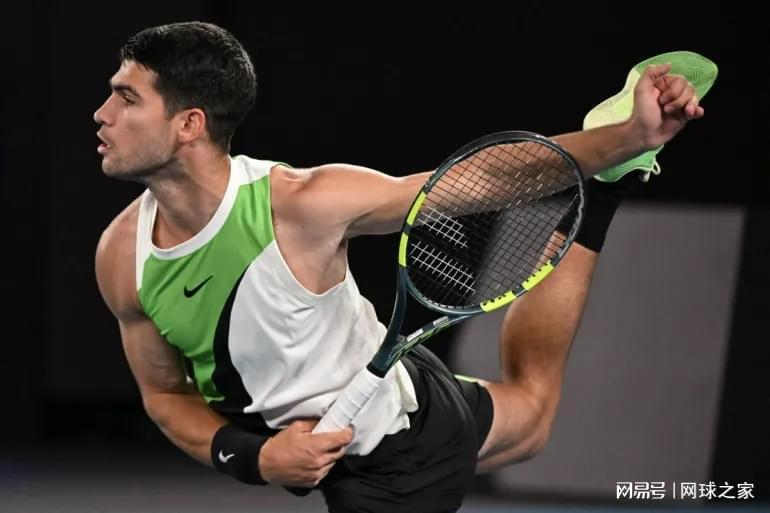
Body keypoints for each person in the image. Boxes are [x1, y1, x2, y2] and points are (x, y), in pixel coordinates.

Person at [93, 21, 705, 513]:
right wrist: (255, 458)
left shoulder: (300, 206)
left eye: (126, 98)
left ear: (189, 124)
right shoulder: (122, 255)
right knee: (532, 415)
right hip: (395, 380)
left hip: (397, 454)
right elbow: (165, 394)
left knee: (533, 413)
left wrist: (629, 136)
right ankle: (605, 193)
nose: (102, 113)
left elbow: (467, 183)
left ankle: (610, 175)